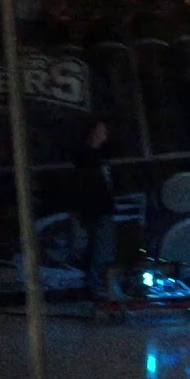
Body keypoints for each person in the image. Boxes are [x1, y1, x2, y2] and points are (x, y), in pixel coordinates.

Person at [75, 119, 116, 298]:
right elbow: (90, 186)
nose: (105, 135)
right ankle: (95, 286)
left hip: (100, 209)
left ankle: (97, 284)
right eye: (101, 131)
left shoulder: (97, 157)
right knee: (101, 250)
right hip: (97, 210)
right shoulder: (87, 158)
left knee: (100, 248)